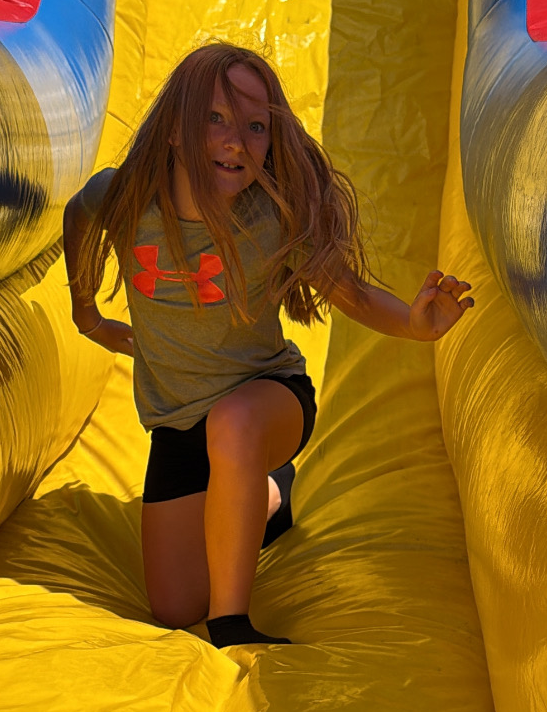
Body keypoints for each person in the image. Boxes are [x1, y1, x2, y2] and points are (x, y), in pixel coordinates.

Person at [62, 41, 473, 649]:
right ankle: (271, 496)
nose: (236, 141)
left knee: (232, 424)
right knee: (175, 606)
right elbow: (79, 213)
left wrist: (416, 326)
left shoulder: (269, 218)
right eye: (216, 118)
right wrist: (87, 313)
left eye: (255, 127)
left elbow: (353, 295)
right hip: (178, 424)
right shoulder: (126, 198)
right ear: (174, 130)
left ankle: (231, 623)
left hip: (266, 401)